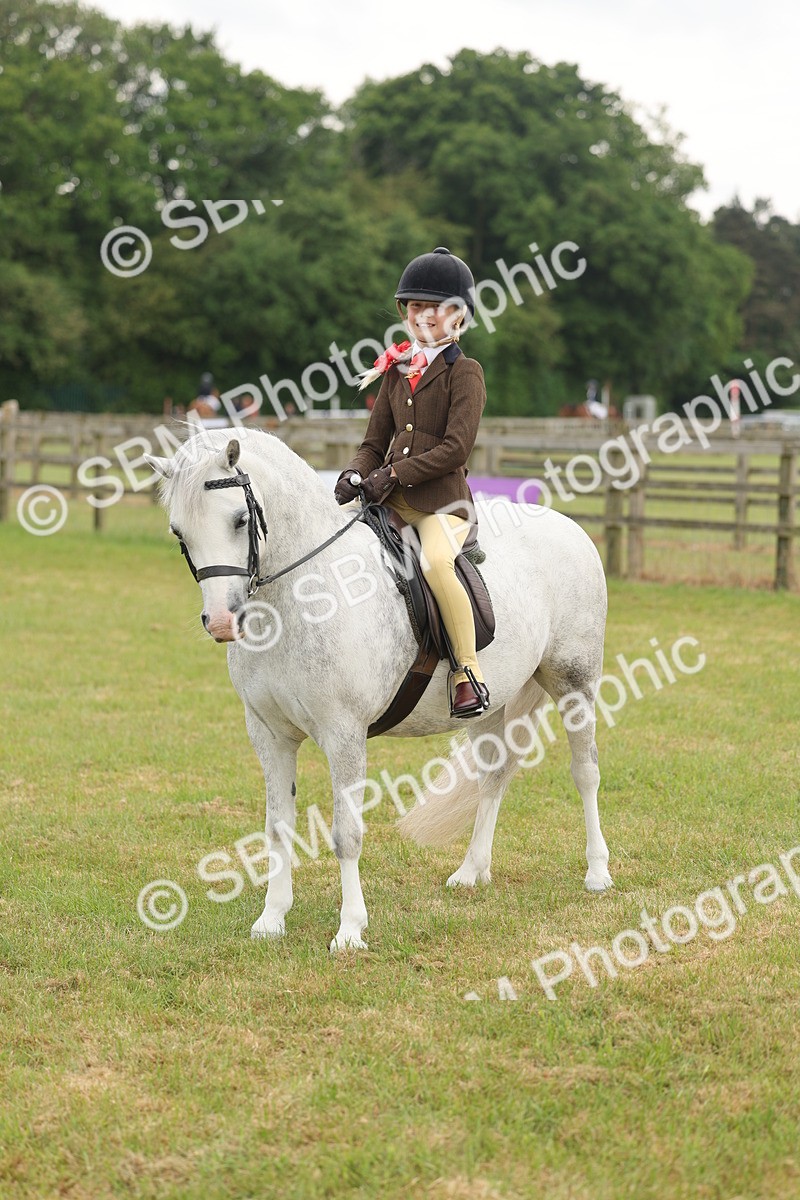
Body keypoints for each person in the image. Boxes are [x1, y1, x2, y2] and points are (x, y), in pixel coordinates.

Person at [334, 246, 489, 718]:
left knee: (437, 564)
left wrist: (394, 473)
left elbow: (455, 449)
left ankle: (467, 673)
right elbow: (373, 441)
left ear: (458, 316)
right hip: (391, 502)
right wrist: (355, 472)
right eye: (415, 306)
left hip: (444, 506)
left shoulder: (465, 373)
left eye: (434, 308)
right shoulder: (396, 369)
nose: (422, 315)